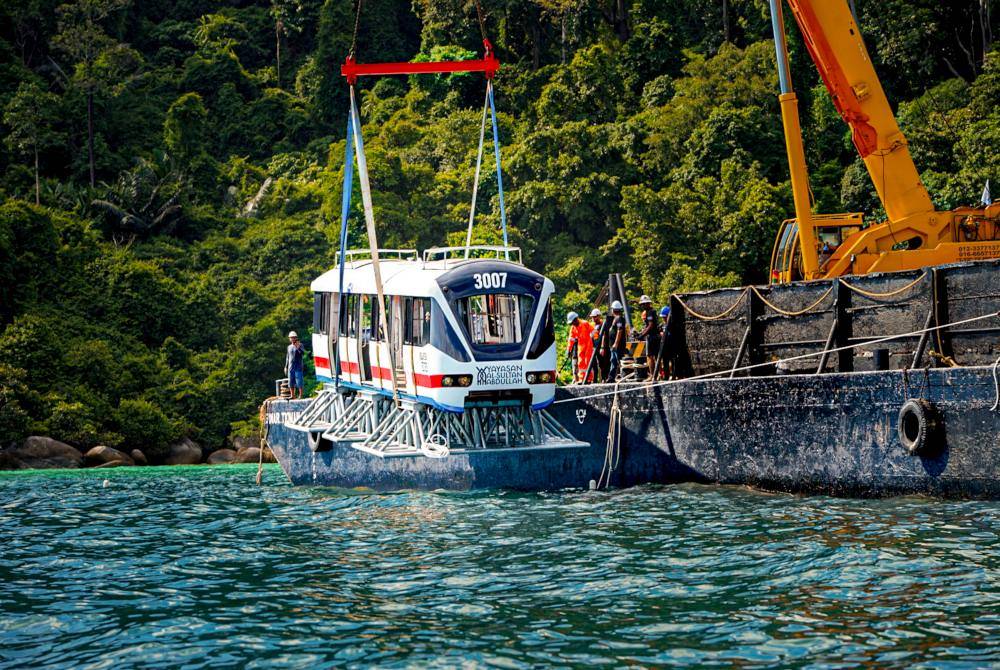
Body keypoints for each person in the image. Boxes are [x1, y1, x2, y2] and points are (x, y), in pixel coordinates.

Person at [602, 301, 628, 382]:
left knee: (617, 360)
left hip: (617, 346)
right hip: (613, 345)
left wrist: (616, 344)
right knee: (613, 360)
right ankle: (611, 377)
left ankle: (615, 377)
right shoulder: (616, 319)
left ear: (613, 310)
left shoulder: (619, 319)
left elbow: (620, 331)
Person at [566, 312, 595, 384]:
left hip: (588, 345)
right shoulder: (573, 327)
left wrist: (595, 339)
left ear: (576, 319)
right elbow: (571, 339)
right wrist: (569, 349)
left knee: (588, 361)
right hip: (580, 346)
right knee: (580, 362)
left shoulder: (585, 323)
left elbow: (594, 331)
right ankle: (582, 379)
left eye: (572, 322)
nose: (572, 324)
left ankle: (589, 379)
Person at [636, 295, 660, 381]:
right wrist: (641, 333)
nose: (642, 306)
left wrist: (642, 335)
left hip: (652, 337)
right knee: (657, 356)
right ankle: (657, 375)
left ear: (647, 304)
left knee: (650, 356)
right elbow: (648, 326)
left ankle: (653, 375)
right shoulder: (652, 311)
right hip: (655, 336)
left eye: (643, 304)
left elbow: (650, 326)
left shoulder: (649, 312)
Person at [589, 308, 610, 382]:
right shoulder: (591, 324)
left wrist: (602, 347)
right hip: (593, 346)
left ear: (598, 316)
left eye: (595, 317)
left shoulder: (603, 324)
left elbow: (604, 336)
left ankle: (604, 378)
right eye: (592, 317)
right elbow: (590, 335)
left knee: (602, 363)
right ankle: (594, 380)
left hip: (600, 346)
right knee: (593, 364)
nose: (593, 318)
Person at [285, 331, 306, 399]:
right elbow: (287, 357)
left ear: (296, 338)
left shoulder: (300, 345)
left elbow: (302, 353)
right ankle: (292, 395)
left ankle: (300, 395)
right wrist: (286, 366)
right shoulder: (289, 347)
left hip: (298, 367)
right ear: (289, 339)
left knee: (299, 381)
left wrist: (298, 347)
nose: (292, 339)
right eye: (291, 338)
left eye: (294, 338)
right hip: (291, 367)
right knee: (291, 381)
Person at [656, 305, 672, 380]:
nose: (663, 319)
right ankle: (666, 376)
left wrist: (665, 334)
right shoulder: (662, 325)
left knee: (673, 361)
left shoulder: (672, 324)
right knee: (665, 362)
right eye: (663, 317)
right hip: (664, 347)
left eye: (665, 317)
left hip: (671, 346)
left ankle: (675, 375)